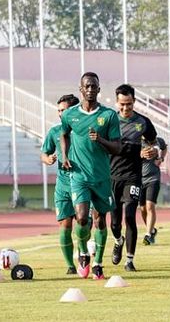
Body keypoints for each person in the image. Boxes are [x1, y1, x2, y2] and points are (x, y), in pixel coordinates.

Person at [60, 72, 122, 279]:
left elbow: (117, 148)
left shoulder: (109, 116)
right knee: (81, 217)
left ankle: (98, 263)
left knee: (100, 220)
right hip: (79, 176)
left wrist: (101, 140)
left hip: (102, 176)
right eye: (86, 86)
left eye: (93, 86)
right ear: (81, 89)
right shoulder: (70, 115)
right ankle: (84, 253)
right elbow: (64, 134)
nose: (90, 89)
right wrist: (65, 156)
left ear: (98, 89)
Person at [109, 84, 158, 272]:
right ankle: (118, 240)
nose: (125, 108)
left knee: (130, 216)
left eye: (129, 104)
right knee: (115, 222)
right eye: (122, 104)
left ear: (134, 101)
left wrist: (152, 151)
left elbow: (154, 143)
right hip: (112, 176)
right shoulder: (109, 121)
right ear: (116, 102)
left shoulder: (143, 122)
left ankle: (129, 260)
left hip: (133, 176)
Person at [41, 94, 81, 275]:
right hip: (63, 185)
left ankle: (84, 255)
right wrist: (47, 158)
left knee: (83, 224)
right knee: (65, 225)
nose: (59, 114)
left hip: (82, 182)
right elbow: (44, 153)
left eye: (63, 110)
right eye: (58, 111)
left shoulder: (83, 129)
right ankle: (70, 266)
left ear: (72, 111)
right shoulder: (54, 132)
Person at [140, 136, 167, 245]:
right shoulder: (136, 140)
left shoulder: (158, 140)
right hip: (139, 179)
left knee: (149, 206)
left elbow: (164, 148)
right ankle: (152, 230)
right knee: (142, 209)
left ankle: (148, 235)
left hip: (153, 177)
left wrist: (161, 158)